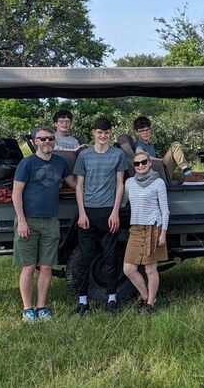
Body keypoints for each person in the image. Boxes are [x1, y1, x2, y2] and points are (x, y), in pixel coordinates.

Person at [12, 125, 75, 322]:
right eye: (42, 139)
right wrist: (21, 221)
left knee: (47, 267)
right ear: (35, 141)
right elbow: (16, 193)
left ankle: (42, 307)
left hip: (50, 221)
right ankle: (27, 309)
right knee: (29, 267)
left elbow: (73, 183)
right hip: (28, 221)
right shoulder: (27, 163)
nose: (47, 142)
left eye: (50, 139)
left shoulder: (60, 162)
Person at [73, 117, 128, 314]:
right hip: (87, 211)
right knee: (84, 258)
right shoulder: (84, 156)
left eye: (106, 133)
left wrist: (115, 212)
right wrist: (81, 212)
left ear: (110, 133)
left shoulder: (118, 155)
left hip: (108, 212)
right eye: (99, 132)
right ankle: (82, 302)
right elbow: (79, 186)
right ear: (93, 133)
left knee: (111, 257)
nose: (103, 136)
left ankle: (112, 299)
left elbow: (120, 184)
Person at [122, 151, 170, 313]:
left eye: (143, 162)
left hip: (152, 228)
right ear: (134, 166)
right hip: (136, 228)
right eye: (137, 164)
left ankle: (150, 304)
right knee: (128, 268)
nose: (140, 166)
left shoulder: (158, 183)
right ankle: (145, 296)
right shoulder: (129, 183)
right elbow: (122, 202)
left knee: (150, 269)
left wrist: (163, 232)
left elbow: (165, 210)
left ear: (150, 163)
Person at [131, 115, 204, 182]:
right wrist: (160, 160)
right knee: (175, 145)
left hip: (163, 171)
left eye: (147, 129)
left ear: (150, 130)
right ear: (136, 132)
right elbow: (140, 154)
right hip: (158, 173)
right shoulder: (139, 144)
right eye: (142, 131)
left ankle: (189, 174)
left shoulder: (149, 144)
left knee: (203, 175)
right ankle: (188, 173)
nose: (145, 132)